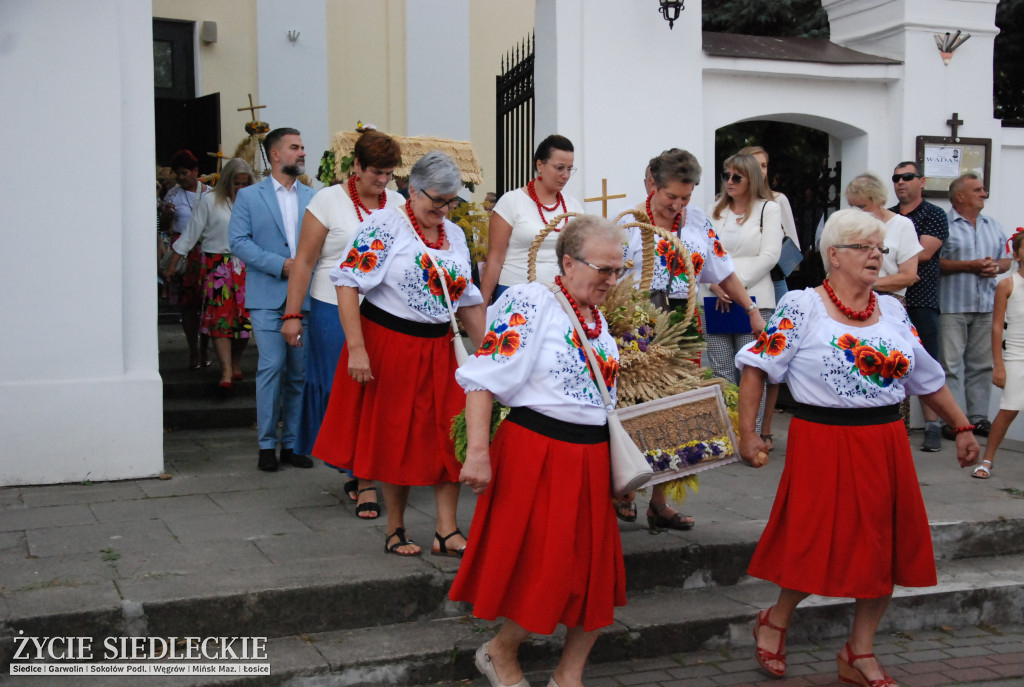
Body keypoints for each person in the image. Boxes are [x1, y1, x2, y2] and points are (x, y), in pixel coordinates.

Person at [736, 208, 979, 685]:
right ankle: (777, 619)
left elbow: (925, 375)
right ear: (834, 255)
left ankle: (859, 651)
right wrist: (748, 433)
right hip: (821, 439)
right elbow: (757, 367)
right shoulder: (802, 305)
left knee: (883, 547)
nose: (876, 256)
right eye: (865, 248)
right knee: (813, 542)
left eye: (880, 249)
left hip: (884, 441)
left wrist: (963, 426)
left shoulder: (892, 309)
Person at [451, 215, 627, 687]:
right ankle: (499, 653)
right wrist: (478, 453)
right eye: (604, 270)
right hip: (540, 454)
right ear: (568, 262)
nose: (612, 280)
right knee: (546, 572)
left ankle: (568, 676)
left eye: (619, 271)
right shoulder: (532, 302)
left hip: (590, 459)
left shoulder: (597, 319)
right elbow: (483, 378)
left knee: (593, 578)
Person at [312, 151, 486, 556]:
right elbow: (347, 283)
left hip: (441, 346)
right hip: (391, 344)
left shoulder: (454, 235)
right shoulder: (384, 225)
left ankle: (446, 530)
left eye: (451, 202)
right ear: (412, 190)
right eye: (436, 201)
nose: (443, 210)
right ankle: (396, 528)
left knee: (450, 433)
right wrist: (356, 348)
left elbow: (470, 302)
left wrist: (491, 357)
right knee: (397, 437)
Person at [619, 148, 765, 529]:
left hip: (684, 319)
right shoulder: (629, 224)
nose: (678, 204)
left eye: (685, 197)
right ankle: (624, 486)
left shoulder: (696, 221)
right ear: (653, 185)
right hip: (639, 322)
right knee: (634, 407)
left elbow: (722, 269)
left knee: (676, 409)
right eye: (672, 197)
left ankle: (660, 499)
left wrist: (751, 309)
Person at [282, 129, 403, 518]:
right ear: (356, 166)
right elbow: (304, 261)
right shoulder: (327, 200)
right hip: (332, 306)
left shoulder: (399, 203)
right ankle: (360, 476)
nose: (382, 180)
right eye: (376, 172)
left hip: (384, 310)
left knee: (379, 395)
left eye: (389, 173)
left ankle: (367, 471)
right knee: (347, 392)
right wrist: (292, 313)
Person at [228, 128, 315, 472]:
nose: (302, 152)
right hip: (266, 294)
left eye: (303, 147)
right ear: (275, 154)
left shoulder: (314, 196)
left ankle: (292, 443)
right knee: (271, 366)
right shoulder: (250, 196)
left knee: (298, 373)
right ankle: (266, 444)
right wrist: (281, 265)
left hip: (305, 296)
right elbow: (238, 241)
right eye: (295, 147)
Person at [165, 158, 255, 389]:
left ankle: (236, 362)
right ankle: (225, 369)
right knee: (221, 320)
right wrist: (174, 261)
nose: (240, 188)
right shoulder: (209, 201)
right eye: (236, 183)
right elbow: (190, 233)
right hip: (218, 266)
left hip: (246, 266)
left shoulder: (254, 202)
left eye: (245, 184)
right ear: (227, 181)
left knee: (245, 322)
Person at [939, 173, 1011, 439]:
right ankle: (955, 420)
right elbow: (934, 263)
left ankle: (978, 418)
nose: (984, 194)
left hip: (986, 304)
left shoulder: (993, 224)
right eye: (978, 190)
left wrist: (995, 266)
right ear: (960, 196)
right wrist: (969, 266)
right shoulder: (944, 224)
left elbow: (1007, 259)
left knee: (982, 364)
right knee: (950, 364)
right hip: (952, 304)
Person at [704, 153, 782, 389]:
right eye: (726, 176)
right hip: (714, 298)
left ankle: (752, 428)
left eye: (737, 177)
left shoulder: (768, 209)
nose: (729, 182)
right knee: (721, 373)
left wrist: (733, 286)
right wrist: (714, 284)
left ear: (752, 179)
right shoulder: (714, 210)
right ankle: (727, 426)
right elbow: (703, 253)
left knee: (752, 371)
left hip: (755, 297)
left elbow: (770, 256)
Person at [479, 135, 585, 303]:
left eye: (570, 169)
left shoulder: (574, 207)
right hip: (516, 292)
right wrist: (482, 306)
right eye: (559, 168)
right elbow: (495, 259)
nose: (566, 175)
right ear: (540, 165)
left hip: (561, 295)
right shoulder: (511, 201)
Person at [890, 161, 949, 451]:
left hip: (921, 299)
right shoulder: (887, 217)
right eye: (896, 178)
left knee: (927, 360)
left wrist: (893, 255)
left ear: (921, 181)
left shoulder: (934, 214)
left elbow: (923, 253)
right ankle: (891, 421)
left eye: (907, 177)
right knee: (891, 359)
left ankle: (933, 425)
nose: (901, 182)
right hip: (889, 299)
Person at [973, 229, 1024, 479]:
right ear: (1016, 253)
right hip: (1016, 355)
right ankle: (987, 459)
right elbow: (996, 326)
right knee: (1009, 408)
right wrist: (998, 365)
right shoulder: (1008, 284)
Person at [163, 149, 211, 370]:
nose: (181, 178)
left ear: (195, 171)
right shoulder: (172, 195)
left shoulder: (210, 193)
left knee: (208, 305)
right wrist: (167, 216)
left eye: (184, 173)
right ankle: (193, 349)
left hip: (205, 252)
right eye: (177, 174)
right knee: (189, 307)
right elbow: (164, 227)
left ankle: (205, 349)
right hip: (183, 255)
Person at [846, 173, 922, 300]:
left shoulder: (902, 225)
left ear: (879, 201)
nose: (856, 212)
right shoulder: (847, 225)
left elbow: (908, 276)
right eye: (852, 206)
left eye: (862, 206)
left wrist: (867, 284)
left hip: (888, 301)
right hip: (850, 297)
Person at [739, 146, 800, 304]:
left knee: (777, 327)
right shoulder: (727, 205)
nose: (760, 170)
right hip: (737, 281)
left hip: (774, 281)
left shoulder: (778, 200)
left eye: (764, 165)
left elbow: (792, 243)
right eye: (754, 165)